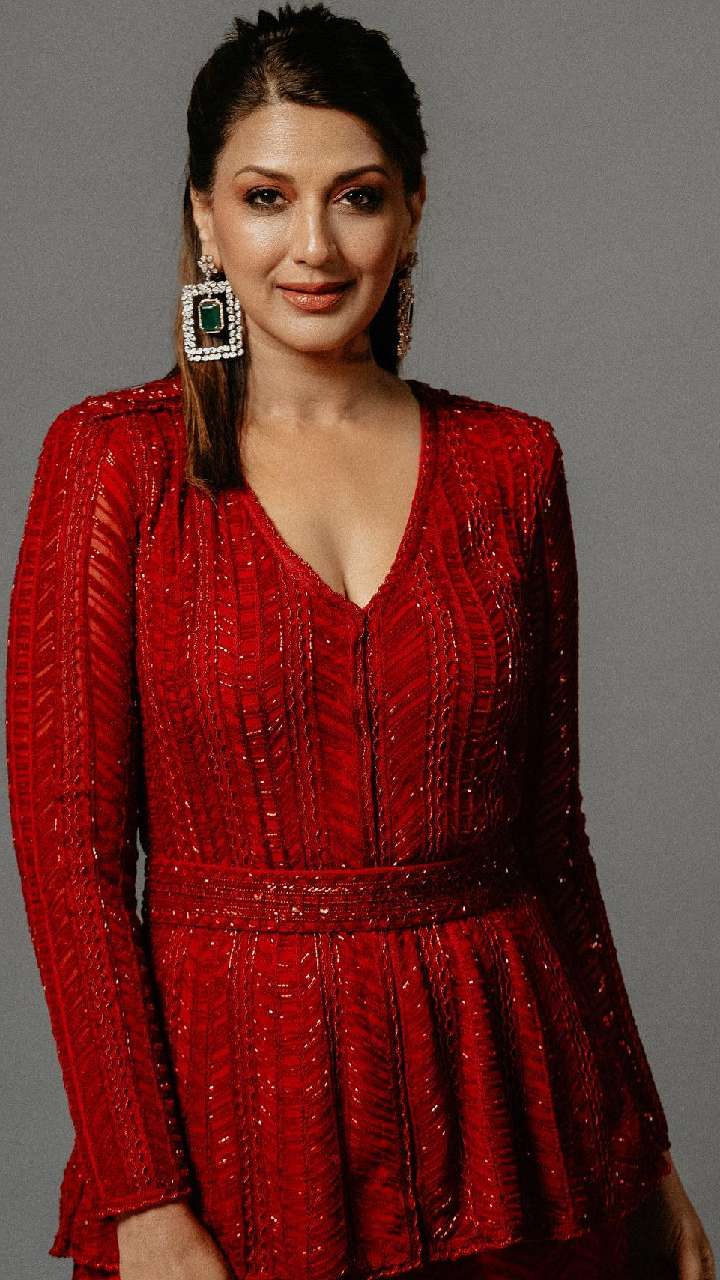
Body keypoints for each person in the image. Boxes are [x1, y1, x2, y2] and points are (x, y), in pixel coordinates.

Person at [5, 5, 714, 1280]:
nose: (315, 246)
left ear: (414, 210)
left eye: (360, 196)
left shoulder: (511, 464)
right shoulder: (114, 465)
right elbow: (71, 863)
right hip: (235, 1137)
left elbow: (554, 845)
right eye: (266, 197)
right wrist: (142, 1192)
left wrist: (646, 1150)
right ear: (206, 217)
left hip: (519, 1131)